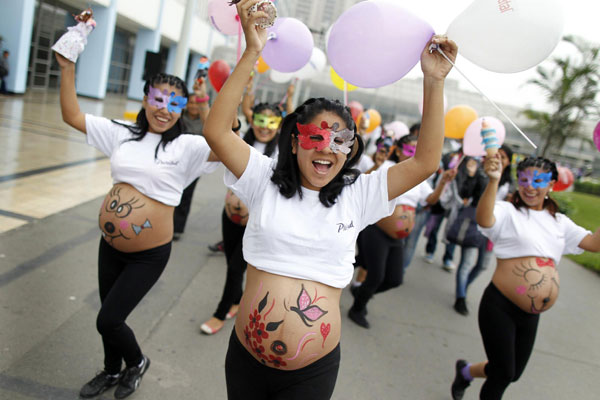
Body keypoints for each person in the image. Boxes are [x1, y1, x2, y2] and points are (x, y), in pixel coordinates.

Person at [203, 1, 457, 398]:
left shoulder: (361, 194)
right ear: (295, 140)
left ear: (352, 148)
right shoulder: (262, 178)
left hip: (311, 373)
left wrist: (434, 81)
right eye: (316, 137)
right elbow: (217, 131)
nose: (327, 148)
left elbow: (425, 162)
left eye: (340, 140)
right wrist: (253, 51)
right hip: (246, 360)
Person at [55, 50, 221, 398]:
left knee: (108, 320)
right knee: (109, 317)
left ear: (182, 109)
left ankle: (137, 361)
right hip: (110, 246)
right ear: (145, 98)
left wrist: (209, 102)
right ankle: (111, 370)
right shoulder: (122, 132)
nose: (164, 108)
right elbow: (72, 114)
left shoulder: (189, 146)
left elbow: (224, 141)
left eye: (174, 103)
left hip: (148, 255)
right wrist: (67, 67)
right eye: (158, 99)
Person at [450, 156, 600, 400]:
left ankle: (466, 372)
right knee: (503, 373)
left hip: (530, 314)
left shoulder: (559, 222)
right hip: (500, 306)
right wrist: (494, 181)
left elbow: (594, 244)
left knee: (512, 373)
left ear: (551, 184)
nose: (530, 186)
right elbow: (484, 219)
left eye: (538, 180)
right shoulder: (508, 212)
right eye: (524, 179)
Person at [348, 134, 455, 328]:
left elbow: (429, 200)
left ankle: (362, 292)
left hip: (397, 238)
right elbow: (363, 185)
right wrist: (376, 165)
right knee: (376, 275)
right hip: (376, 231)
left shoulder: (419, 178)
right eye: (409, 150)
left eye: (417, 150)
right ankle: (357, 308)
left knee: (394, 279)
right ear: (398, 151)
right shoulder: (387, 167)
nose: (413, 154)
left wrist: (443, 183)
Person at [200, 102, 282, 335]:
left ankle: (220, 313)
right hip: (229, 217)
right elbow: (220, 128)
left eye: (271, 122)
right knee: (231, 265)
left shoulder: (281, 152)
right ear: (252, 119)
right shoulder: (239, 142)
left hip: (254, 224)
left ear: (279, 125)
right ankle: (235, 300)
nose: (264, 127)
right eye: (260, 120)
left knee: (236, 269)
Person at [172, 79, 219, 241]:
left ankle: (177, 227)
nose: (193, 106)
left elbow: (212, 133)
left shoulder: (205, 120)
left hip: (195, 162)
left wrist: (203, 97)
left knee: (186, 195)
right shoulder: (178, 118)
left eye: (195, 103)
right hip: (176, 161)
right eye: (190, 103)